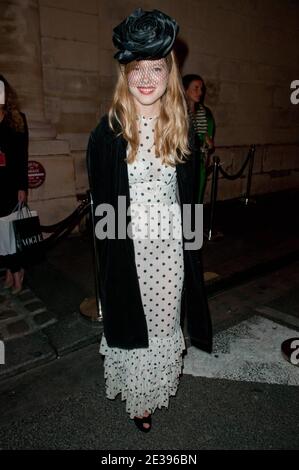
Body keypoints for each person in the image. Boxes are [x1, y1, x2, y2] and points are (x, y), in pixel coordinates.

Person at [87, 8, 212, 432]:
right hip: (129, 250)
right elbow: (102, 206)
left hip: (169, 252)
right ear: (126, 73)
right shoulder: (109, 131)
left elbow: (189, 198)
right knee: (132, 323)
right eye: (136, 68)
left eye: (155, 68)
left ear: (168, 72)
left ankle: (153, 387)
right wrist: (106, 267)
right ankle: (139, 400)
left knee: (162, 322)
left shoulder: (180, 127)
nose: (145, 78)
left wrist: (193, 248)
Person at [0, 74, 29, 294]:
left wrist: (22, 187)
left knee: (10, 231)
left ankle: (18, 270)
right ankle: (10, 269)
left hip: (10, 185)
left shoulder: (18, 119)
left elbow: (21, 157)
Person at [182, 74, 215, 203]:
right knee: (184, 196)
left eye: (201, 88)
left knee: (198, 196)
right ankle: (182, 222)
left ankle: (195, 222)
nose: (200, 92)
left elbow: (209, 141)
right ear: (185, 90)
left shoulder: (206, 113)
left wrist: (209, 144)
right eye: (196, 88)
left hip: (199, 163)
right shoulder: (178, 113)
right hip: (183, 163)